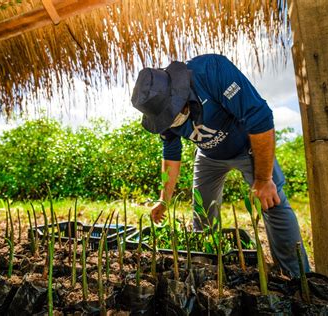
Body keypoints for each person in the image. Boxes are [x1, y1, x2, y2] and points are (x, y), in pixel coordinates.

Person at [130, 54, 309, 277]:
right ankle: (207, 266)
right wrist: (163, 201)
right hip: (208, 156)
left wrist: (263, 180)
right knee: (203, 210)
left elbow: (259, 116)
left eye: (173, 113)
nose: (172, 120)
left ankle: (296, 277)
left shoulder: (211, 71)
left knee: (272, 201)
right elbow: (171, 156)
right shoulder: (161, 115)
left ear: (178, 91)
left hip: (247, 146)